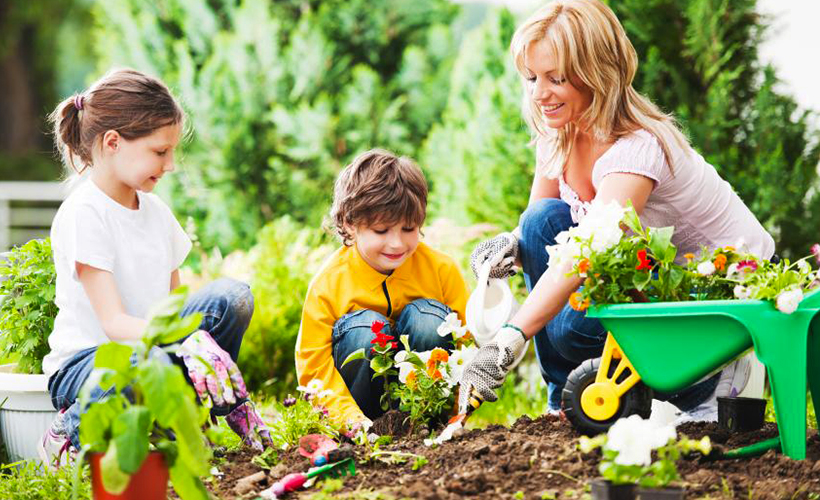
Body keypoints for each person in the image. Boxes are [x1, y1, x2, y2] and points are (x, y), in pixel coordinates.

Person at [459, 0, 774, 422]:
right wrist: (509, 247)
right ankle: (563, 400)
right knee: (539, 224)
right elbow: (540, 224)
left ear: (597, 74)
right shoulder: (560, 131)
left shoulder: (638, 148)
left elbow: (586, 249)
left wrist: (509, 340)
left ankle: (704, 380)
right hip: (648, 280)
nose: (538, 93)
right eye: (532, 77)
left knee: (571, 327)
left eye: (556, 78)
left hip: (712, 305)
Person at [39, 68, 271, 467]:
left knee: (232, 298)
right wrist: (186, 340)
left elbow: (174, 305)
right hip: (88, 364)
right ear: (113, 142)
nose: (170, 164)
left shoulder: (156, 212)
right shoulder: (85, 213)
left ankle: (187, 416)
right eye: (160, 152)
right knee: (150, 361)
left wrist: (200, 347)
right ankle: (70, 431)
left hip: (151, 351)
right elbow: (114, 323)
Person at [296, 149, 470, 426]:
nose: (397, 244)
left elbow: (467, 345)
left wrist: (458, 415)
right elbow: (314, 367)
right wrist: (351, 422)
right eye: (381, 231)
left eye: (408, 229)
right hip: (360, 416)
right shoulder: (328, 283)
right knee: (364, 329)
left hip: (426, 402)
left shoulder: (441, 270)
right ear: (350, 224)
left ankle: (425, 424)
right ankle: (370, 427)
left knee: (429, 321)